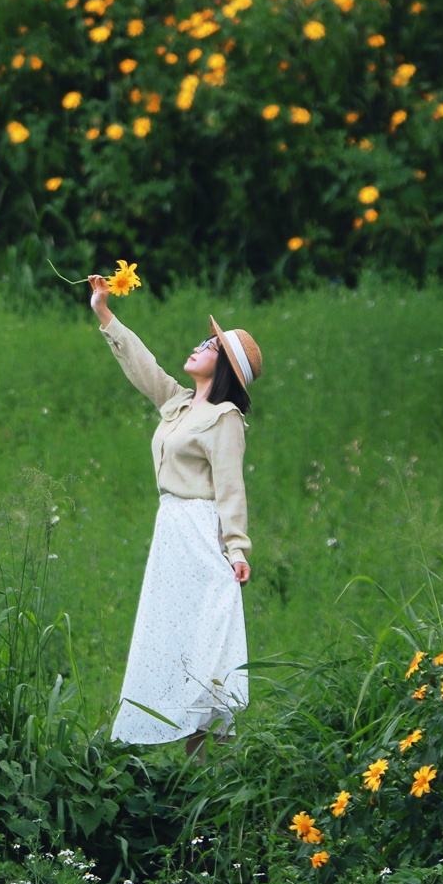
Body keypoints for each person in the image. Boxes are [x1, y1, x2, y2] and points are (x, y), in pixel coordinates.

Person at [89, 274, 263, 755]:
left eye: (209, 345)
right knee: (172, 637)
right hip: (171, 533)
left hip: (200, 534)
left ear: (223, 365)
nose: (197, 346)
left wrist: (237, 549)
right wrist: (105, 313)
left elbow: (231, 488)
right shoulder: (179, 404)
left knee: (204, 647)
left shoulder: (224, 418)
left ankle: (213, 779)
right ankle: (195, 777)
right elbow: (143, 367)